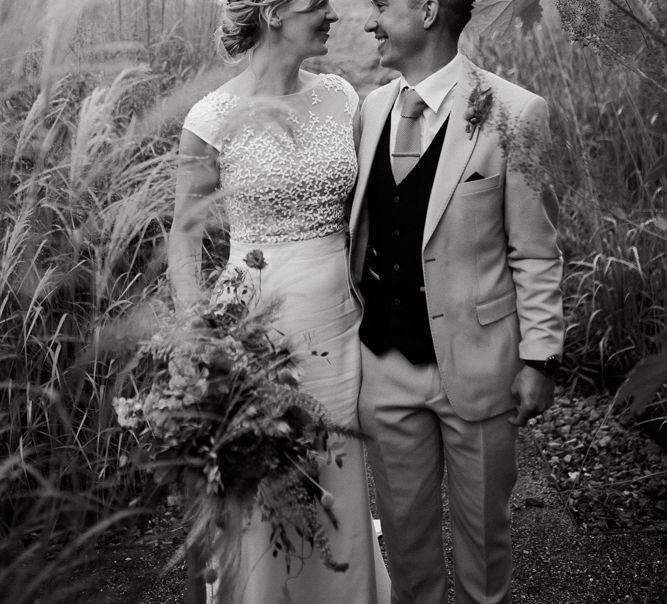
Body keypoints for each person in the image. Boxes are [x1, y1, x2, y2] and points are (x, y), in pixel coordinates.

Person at [168, 1, 390, 603]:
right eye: (317, 4)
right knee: (264, 484)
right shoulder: (212, 118)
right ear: (272, 12)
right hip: (257, 330)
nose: (332, 15)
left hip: (340, 324)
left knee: (338, 472)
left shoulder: (343, 98)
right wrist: (203, 334)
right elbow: (183, 236)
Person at [349, 1, 565, 602]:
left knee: (484, 556)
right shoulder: (370, 110)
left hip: (480, 366)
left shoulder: (516, 113)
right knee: (408, 557)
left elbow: (536, 250)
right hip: (385, 369)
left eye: (382, 6)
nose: (371, 21)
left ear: (425, 11)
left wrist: (540, 358)